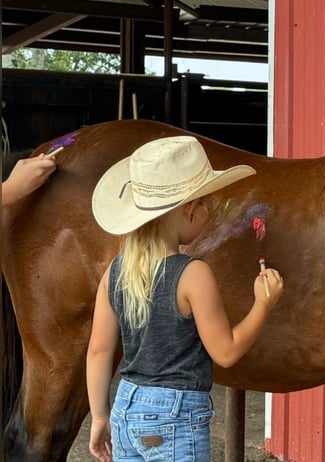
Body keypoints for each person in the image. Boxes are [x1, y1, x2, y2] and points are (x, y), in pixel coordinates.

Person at [86, 136, 284, 462]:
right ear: (189, 209)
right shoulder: (192, 274)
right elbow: (226, 351)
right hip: (174, 418)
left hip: (126, 410)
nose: (208, 210)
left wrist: (99, 417)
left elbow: (98, 351)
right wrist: (263, 305)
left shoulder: (114, 272)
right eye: (206, 203)